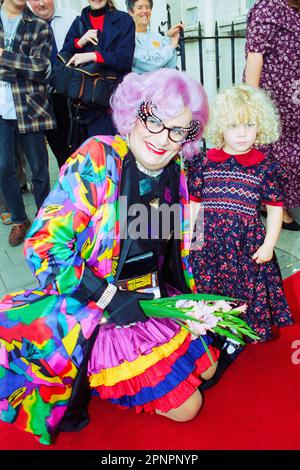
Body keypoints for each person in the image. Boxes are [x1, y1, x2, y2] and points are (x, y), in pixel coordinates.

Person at [0, 68, 220, 445]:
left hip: (149, 300)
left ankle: (120, 374)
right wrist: (109, 297)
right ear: (135, 114)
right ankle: (99, 374)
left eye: (179, 130)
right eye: (155, 120)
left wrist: (197, 300)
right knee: (189, 407)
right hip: (93, 306)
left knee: (211, 367)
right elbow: (44, 247)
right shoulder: (98, 157)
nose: (164, 139)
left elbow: (177, 248)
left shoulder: (176, 173)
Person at [188, 84, 294, 351]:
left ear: (260, 125)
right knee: (211, 289)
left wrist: (269, 244)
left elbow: (274, 208)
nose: (242, 133)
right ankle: (215, 329)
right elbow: (195, 204)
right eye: (234, 126)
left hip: (246, 248)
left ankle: (236, 334)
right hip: (209, 246)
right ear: (220, 127)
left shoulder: (265, 167)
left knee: (243, 293)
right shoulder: (204, 163)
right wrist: (191, 237)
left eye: (249, 125)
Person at [0, 0, 55, 247]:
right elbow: (28, 67)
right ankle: (19, 219)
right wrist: (20, 64)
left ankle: (45, 223)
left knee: (39, 171)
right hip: (2, 111)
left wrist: (3, 56)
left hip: (30, 107)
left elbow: (40, 67)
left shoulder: (38, 25)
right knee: (3, 167)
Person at [244, 0, 300, 230]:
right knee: (272, 159)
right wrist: (251, 103)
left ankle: (278, 203)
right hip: (272, 105)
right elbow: (255, 56)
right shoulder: (268, 8)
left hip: (294, 103)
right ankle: (274, 207)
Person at [58, 0, 135, 151]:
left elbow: (125, 60)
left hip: (115, 101)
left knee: (120, 155)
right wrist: (80, 42)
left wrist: (94, 56)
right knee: (95, 158)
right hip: (87, 104)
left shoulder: (124, 20)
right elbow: (65, 58)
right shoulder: (79, 22)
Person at [28, 0, 79, 168]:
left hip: (74, 97)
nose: (41, 4)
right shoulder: (24, 26)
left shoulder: (73, 18)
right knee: (61, 155)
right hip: (45, 99)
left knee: (82, 151)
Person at [126, 0, 182, 74]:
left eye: (147, 7)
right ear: (130, 12)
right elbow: (149, 65)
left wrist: (169, 38)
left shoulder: (158, 38)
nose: (145, 11)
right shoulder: (127, 39)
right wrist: (171, 47)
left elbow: (171, 67)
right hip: (138, 84)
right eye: (140, 8)